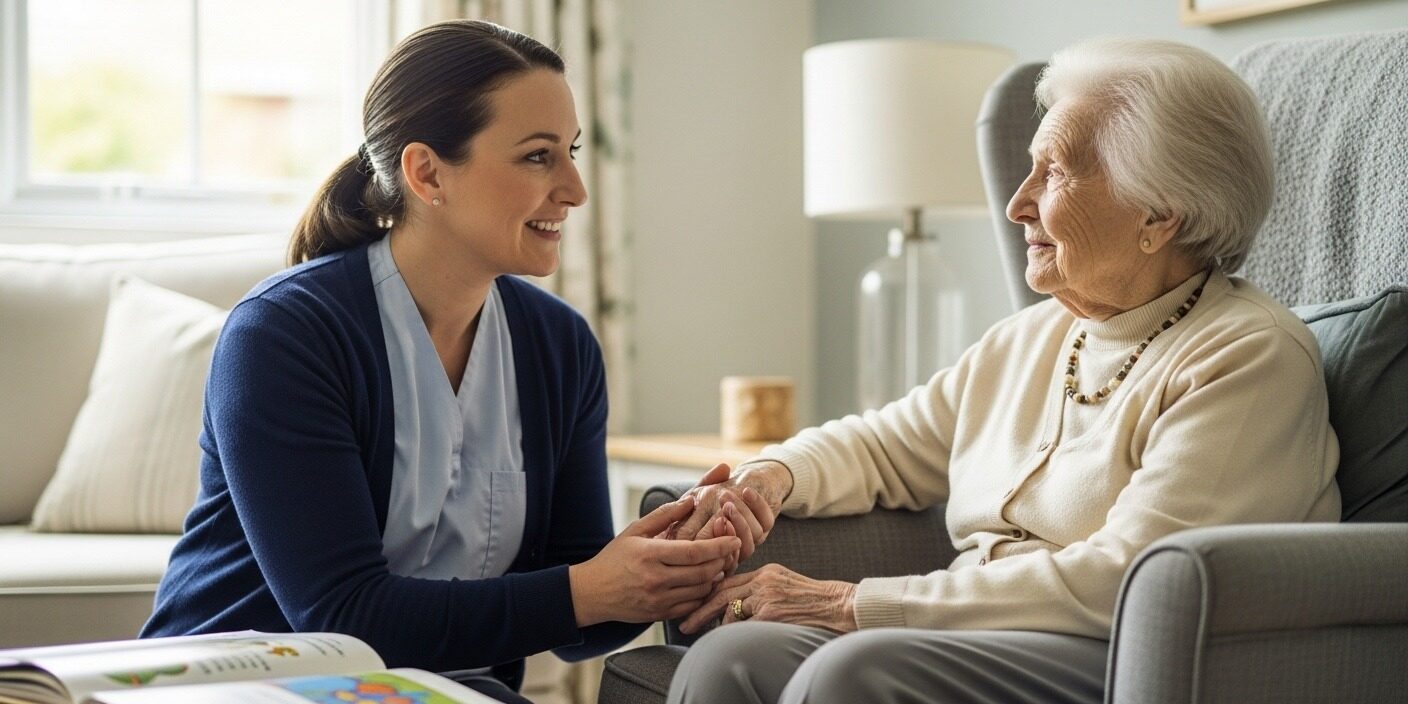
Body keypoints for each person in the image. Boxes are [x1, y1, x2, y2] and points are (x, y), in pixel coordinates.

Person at [664, 38, 1341, 704]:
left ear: (1160, 214)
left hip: (1113, 656)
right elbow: (885, 447)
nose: (1018, 203)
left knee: (856, 671)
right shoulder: (1031, 338)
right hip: (974, 639)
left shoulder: (1247, 358)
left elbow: (1128, 578)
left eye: (1053, 173)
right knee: (735, 654)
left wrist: (849, 602)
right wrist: (770, 479)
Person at [140, 20, 744, 703]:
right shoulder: (284, 336)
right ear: (427, 173)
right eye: (539, 157)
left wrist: (663, 563)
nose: (575, 189)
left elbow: (576, 617)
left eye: (571, 152)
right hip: (251, 683)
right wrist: (587, 590)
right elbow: (343, 616)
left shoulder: (560, 347)